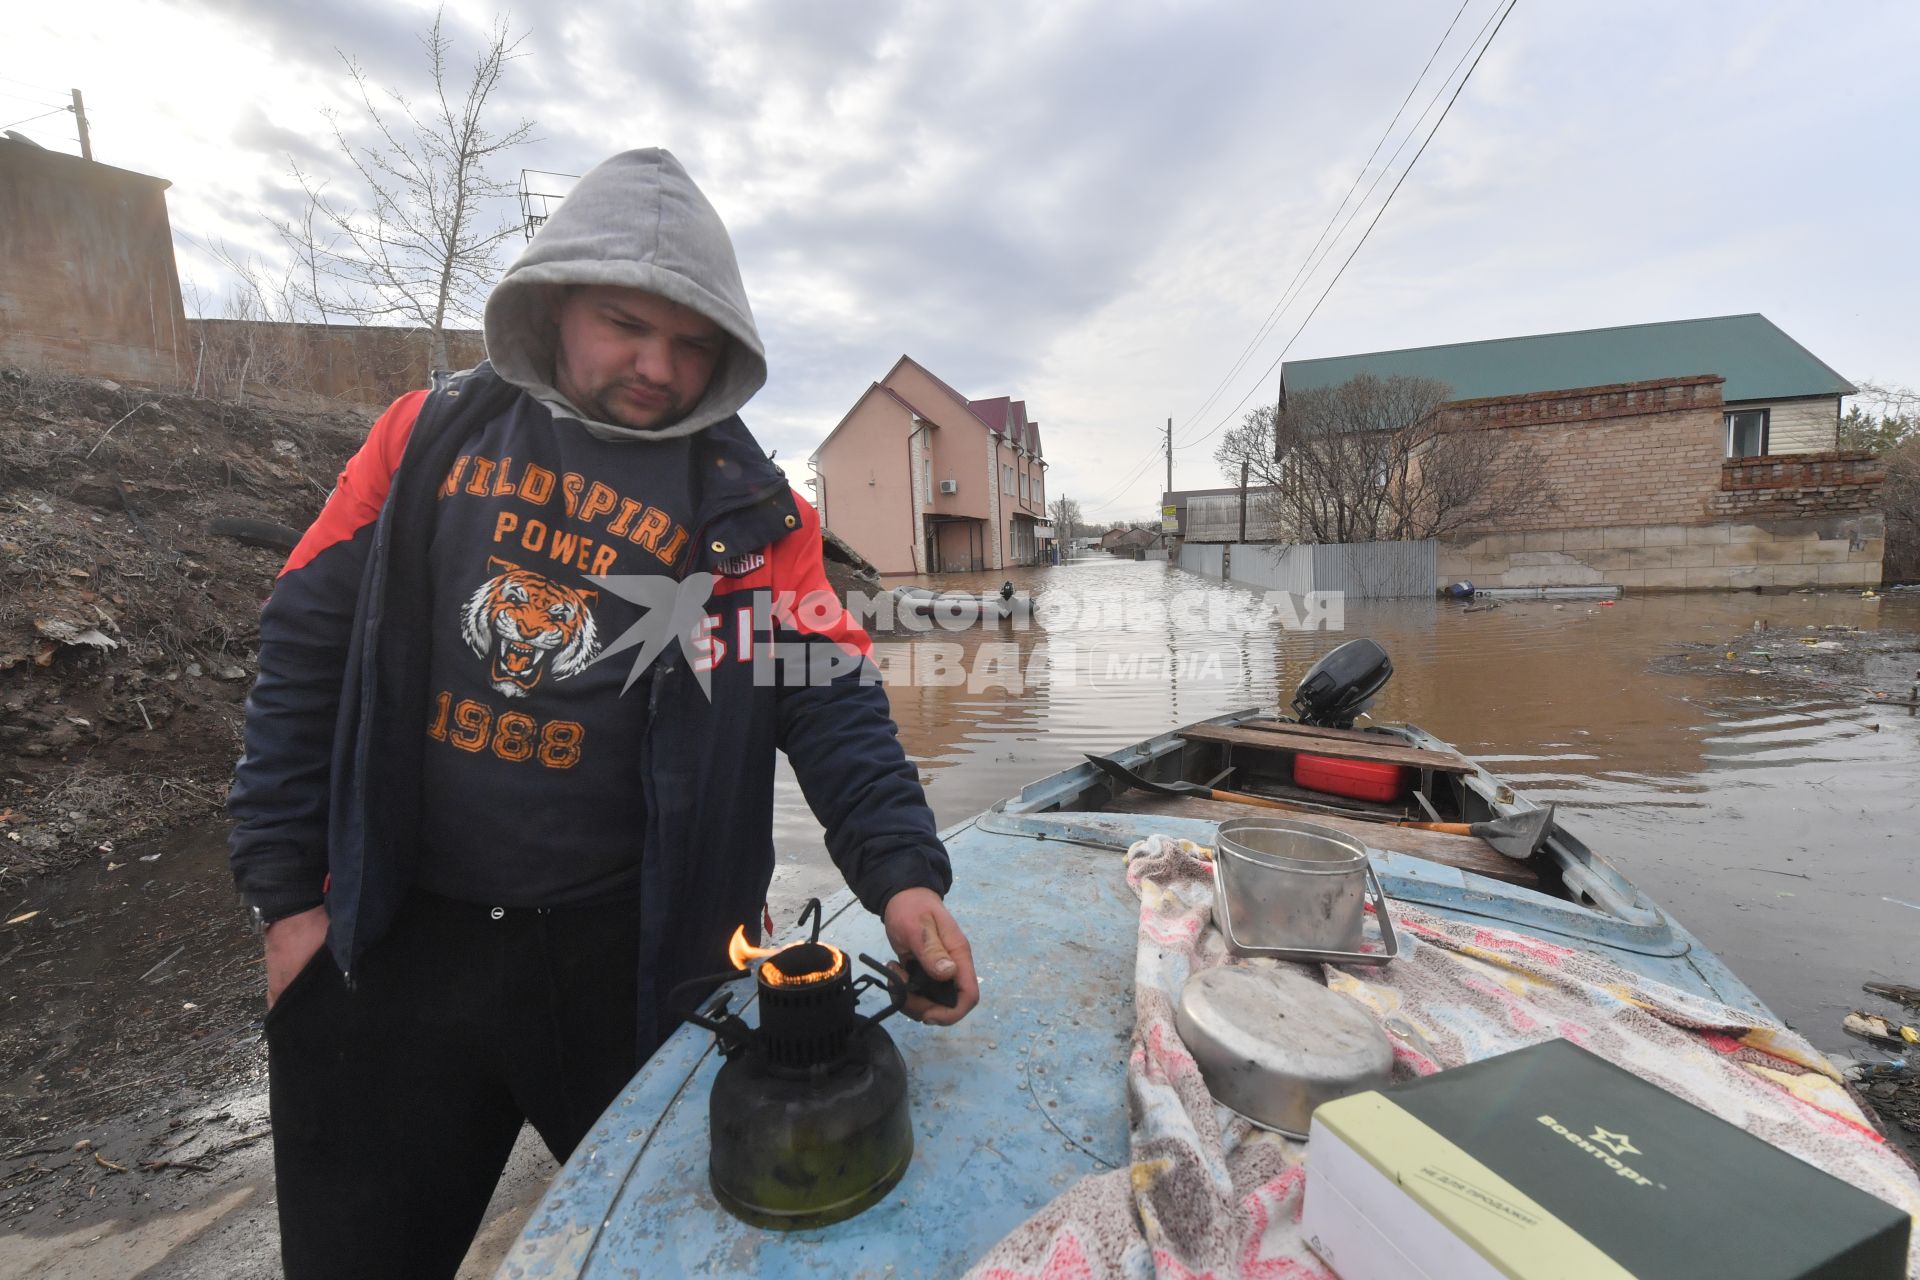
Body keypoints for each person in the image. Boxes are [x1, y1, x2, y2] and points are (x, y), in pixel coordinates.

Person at [227, 148, 978, 1280]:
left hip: (638, 957)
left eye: (691, 345)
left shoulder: (755, 513)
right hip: (398, 943)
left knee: (686, 1247)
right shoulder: (422, 440)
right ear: (555, 302)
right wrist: (289, 904)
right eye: (626, 324)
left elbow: (832, 708)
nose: (657, 366)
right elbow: (301, 651)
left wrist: (907, 879)